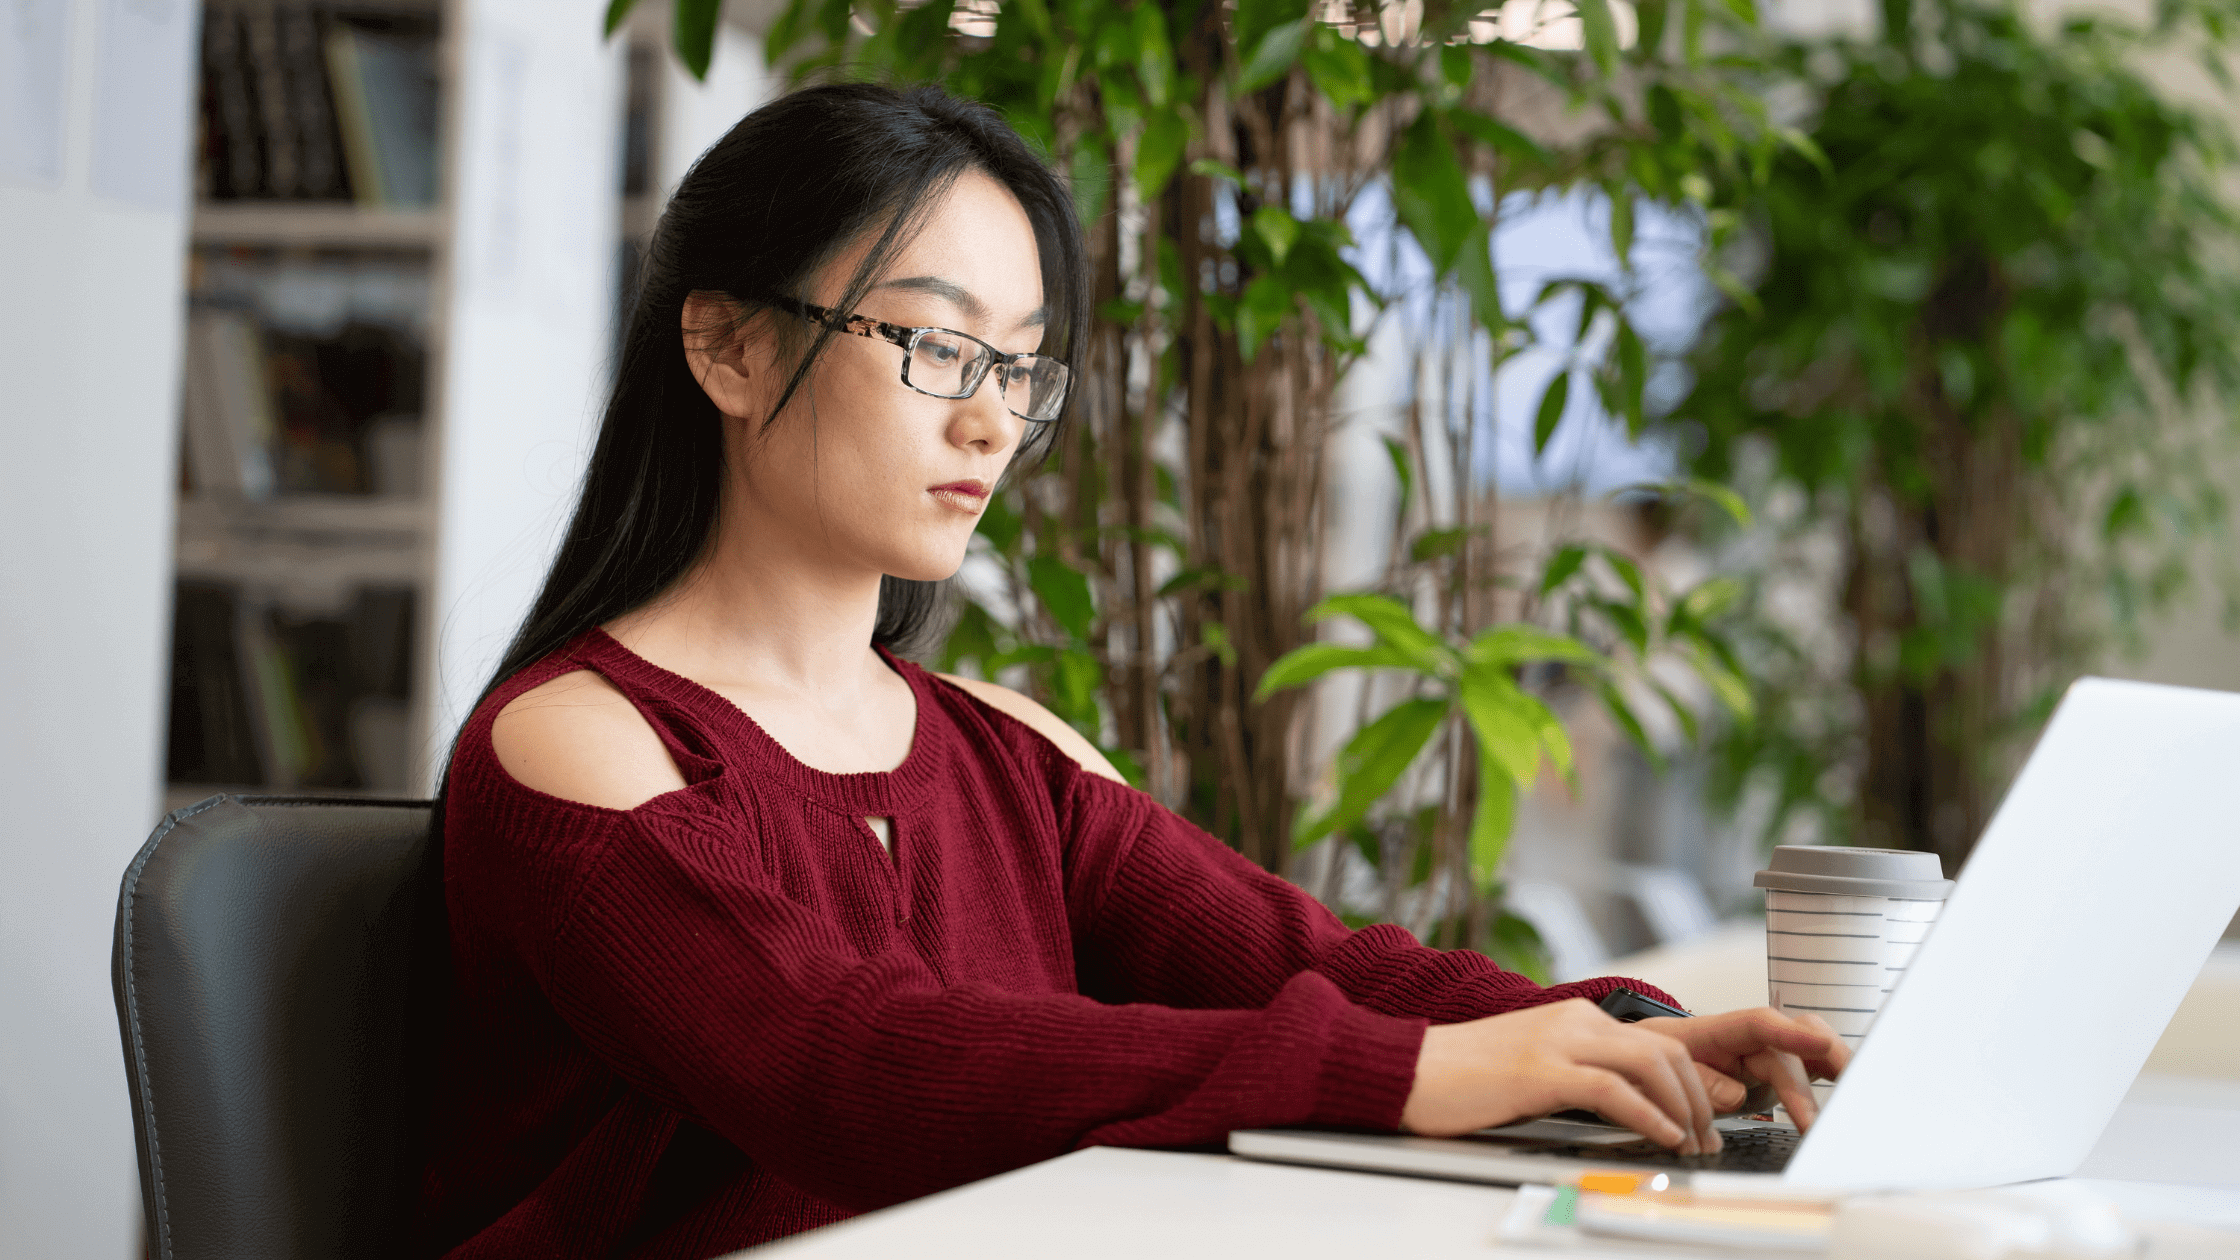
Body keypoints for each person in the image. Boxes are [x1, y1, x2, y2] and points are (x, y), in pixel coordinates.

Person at [417, 82, 1847, 1259]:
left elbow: (1321, 964)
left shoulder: (1005, 751)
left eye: (1022, 366)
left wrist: (1625, 1032)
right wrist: (1412, 1079)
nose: (989, 422)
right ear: (725, 345)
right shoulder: (582, 744)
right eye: (930, 342)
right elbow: (842, 1069)